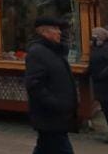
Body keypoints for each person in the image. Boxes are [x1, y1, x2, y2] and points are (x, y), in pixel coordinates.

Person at [25, 17, 78, 154]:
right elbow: (34, 84)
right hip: (49, 115)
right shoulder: (38, 52)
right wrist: (55, 104)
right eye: (55, 29)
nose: (59, 32)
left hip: (56, 117)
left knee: (45, 148)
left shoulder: (54, 51)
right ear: (44, 32)